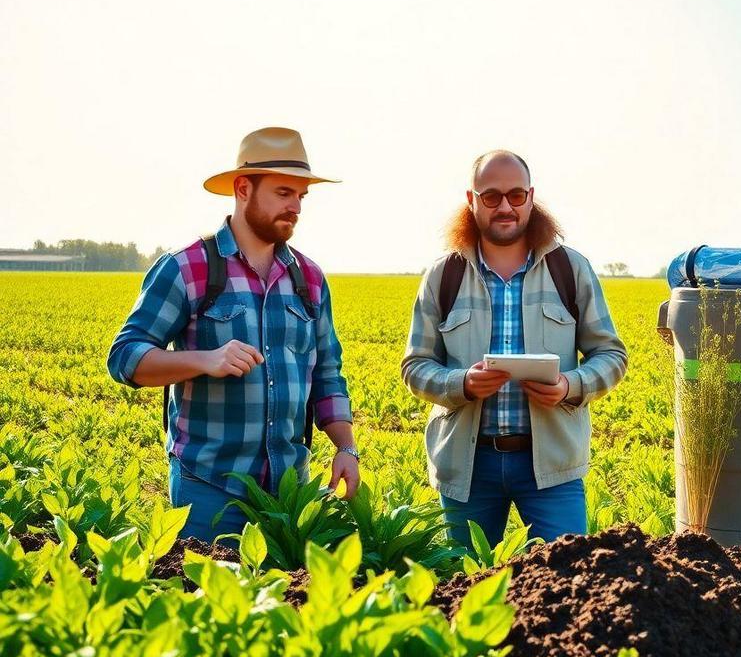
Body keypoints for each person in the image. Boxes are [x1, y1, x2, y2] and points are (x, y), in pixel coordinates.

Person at [107, 127, 360, 542]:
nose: (295, 206)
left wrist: (345, 448)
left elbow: (327, 374)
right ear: (243, 189)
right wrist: (205, 360)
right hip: (207, 491)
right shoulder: (188, 267)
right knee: (208, 602)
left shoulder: (309, 278)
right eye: (283, 193)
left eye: (301, 196)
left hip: (288, 494)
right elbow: (125, 358)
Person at [401, 149, 628, 548]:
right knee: (464, 588)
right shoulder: (444, 275)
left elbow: (611, 356)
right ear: (471, 201)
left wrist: (569, 386)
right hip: (469, 468)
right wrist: (462, 384)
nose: (505, 206)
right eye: (491, 196)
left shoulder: (570, 270)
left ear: (531, 197)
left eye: (516, 195)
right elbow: (415, 366)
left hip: (551, 468)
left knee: (568, 584)